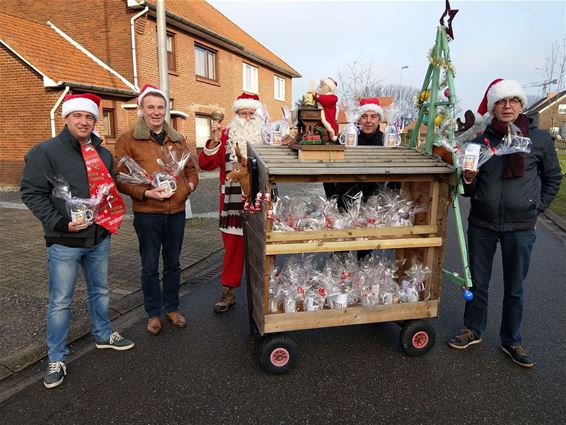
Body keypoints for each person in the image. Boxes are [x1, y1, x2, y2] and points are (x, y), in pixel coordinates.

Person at [21, 93, 134, 389]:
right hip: (64, 241)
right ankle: (56, 357)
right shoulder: (44, 152)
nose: (84, 121)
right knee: (60, 302)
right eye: (78, 116)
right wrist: (60, 222)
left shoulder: (104, 154)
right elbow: (31, 193)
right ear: (66, 118)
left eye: (89, 117)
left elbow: (108, 191)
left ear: (95, 121)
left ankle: (103, 333)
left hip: (99, 237)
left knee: (101, 291)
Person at [448, 78, 562, 368]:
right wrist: (469, 179)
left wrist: (536, 208)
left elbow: (553, 178)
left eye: (512, 101)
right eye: (501, 101)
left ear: (521, 105)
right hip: (483, 224)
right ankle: (473, 329)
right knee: (478, 282)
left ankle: (512, 340)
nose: (507, 106)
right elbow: (468, 189)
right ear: (493, 107)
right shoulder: (479, 143)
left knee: (515, 288)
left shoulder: (539, 140)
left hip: (521, 227)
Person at [114, 84, 199, 335]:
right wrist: (145, 192)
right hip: (147, 212)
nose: (156, 112)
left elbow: (191, 170)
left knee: (173, 263)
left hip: (176, 212)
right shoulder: (128, 140)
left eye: (160, 107)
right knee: (149, 265)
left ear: (166, 110)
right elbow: (119, 177)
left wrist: (189, 187)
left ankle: (172, 307)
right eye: (150, 107)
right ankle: (153, 312)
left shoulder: (177, 139)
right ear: (141, 109)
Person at [198, 92, 263, 313]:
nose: (247, 118)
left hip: (261, 199)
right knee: (233, 250)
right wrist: (214, 139)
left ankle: (267, 290)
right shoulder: (225, 136)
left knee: (264, 247)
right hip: (231, 202)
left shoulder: (266, 136)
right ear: (235, 114)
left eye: (251, 113)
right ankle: (228, 290)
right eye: (243, 113)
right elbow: (205, 164)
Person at [324, 97, 385, 210]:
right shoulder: (345, 138)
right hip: (345, 200)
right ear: (358, 119)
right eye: (364, 116)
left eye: (373, 116)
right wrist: (332, 198)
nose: (368, 121)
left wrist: (386, 200)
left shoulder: (385, 141)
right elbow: (329, 165)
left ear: (379, 119)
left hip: (375, 204)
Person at [313, 77, 339, 142]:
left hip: (329, 124)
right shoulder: (319, 98)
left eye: (322, 85)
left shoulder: (333, 98)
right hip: (320, 123)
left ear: (328, 87)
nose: (320, 87)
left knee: (328, 135)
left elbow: (324, 100)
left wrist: (315, 95)